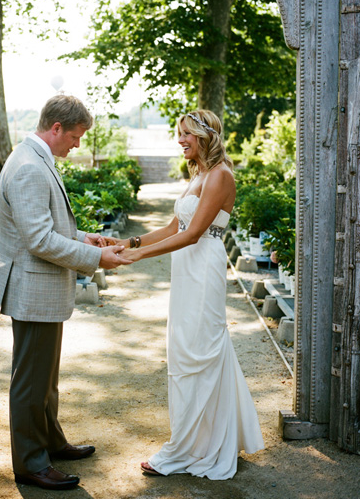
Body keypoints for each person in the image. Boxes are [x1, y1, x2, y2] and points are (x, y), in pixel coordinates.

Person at [0, 94, 132, 491]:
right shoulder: (29, 167)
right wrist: (96, 260)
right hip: (32, 289)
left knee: (45, 378)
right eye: (75, 136)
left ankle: (50, 442)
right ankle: (31, 463)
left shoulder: (35, 158)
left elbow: (49, 225)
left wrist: (89, 239)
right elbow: (39, 240)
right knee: (32, 380)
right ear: (55, 129)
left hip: (40, 289)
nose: (77, 144)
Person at [118, 109, 264, 480]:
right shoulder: (198, 174)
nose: (179, 140)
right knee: (184, 349)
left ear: (204, 136)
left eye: (185, 134)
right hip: (186, 270)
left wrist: (138, 255)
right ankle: (203, 440)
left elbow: (192, 234)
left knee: (198, 350)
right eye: (178, 134)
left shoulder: (220, 176)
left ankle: (184, 450)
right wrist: (127, 241)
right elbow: (173, 226)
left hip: (202, 269)